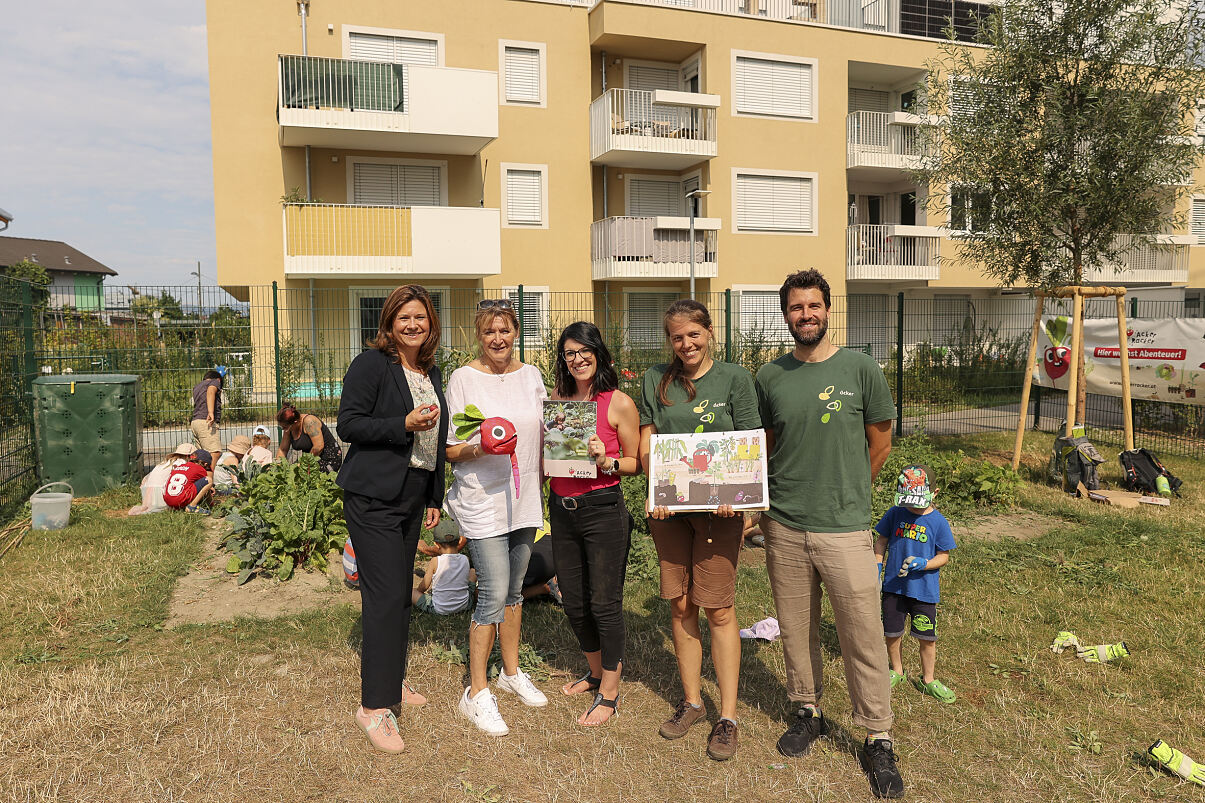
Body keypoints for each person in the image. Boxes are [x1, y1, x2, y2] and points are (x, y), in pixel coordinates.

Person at [754, 269, 903, 799]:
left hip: (844, 526)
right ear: (786, 314)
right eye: (796, 308)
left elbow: (879, 443)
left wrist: (849, 493)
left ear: (828, 308)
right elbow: (765, 448)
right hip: (786, 525)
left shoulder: (861, 367)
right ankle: (807, 709)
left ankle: (878, 737)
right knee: (796, 627)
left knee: (862, 633)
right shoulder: (770, 377)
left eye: (813, 306)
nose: (806, 315)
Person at [638, 299, 761, 762]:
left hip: (720, 514)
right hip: (670, 512)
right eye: (677, 337)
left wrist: (742, 494)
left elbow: (751, 440)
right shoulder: (657, 379)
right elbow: (649, 440)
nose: (686, 344)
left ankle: (727, 716)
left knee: (720, 610)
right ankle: (692, 702)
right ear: (668, 341)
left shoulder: (735, 378)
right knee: (681, 603)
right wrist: (656, 489)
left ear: (709, 332)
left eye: (693, 334)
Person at [336, 284, 448, 755]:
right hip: (373, 498)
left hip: (411, 495)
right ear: (388, 323)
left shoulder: (429, 371)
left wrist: (434, 495)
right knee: (384, 598)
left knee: (400, 594)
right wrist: (401, 424)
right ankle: (373, 707)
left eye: (420, 317)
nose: (412, 325)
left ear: (430, 323)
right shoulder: (371, 364)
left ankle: (392, 682)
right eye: (403, 317)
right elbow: (349, 424)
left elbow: (436, 440)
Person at [445, 299, 548, 737]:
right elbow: (451, 449)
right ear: (478, 335)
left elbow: (549, 432)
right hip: (483, 501)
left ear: (516, 332)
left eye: (505, 330)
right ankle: (476, 692)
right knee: (491, 591)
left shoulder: (532, 376)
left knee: (515, 590)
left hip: (523, 500)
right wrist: (481, 447)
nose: (498, 339)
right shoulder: (463, 379)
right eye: (489, 331)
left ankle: (510, 672)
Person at [548, 321, 640, 727]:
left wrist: (607, 461)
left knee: (604, 603)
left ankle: (610, 692)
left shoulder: (618, 402)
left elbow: (637, 463)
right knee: (573, 600)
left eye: (584, 351)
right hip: (561, 509)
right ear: (563, 360)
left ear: (598, 354)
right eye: (570, 353)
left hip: (602, 507)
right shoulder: (558, 399)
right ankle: (596, 672)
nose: (578, 359)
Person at [874, 464, 956, 703]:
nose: (911, 506)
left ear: (935, 493)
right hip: (893, 588)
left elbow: (944, 555)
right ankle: (897, 671)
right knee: (892, 633)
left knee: (926, 638)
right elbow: (881, 541)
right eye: (907, 500)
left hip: (923, 592)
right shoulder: (895, 513)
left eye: (916, 501)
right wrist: (877, 565)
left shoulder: (938, 522)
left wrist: (925, 563)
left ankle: (928, 679)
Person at [412, 518, 476, 616]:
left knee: (411, 592)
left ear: (436, 544)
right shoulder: (465, 559)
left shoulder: (435, 561)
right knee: (473, 572)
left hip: (439, 608)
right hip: (464, 605)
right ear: (459, 541)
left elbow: (425, 585)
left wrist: (419, 593)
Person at [277, 403, 343, 473]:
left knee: (302, 476)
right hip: (311, 458)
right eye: (282, 427)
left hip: (329, 457)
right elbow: (283, 449)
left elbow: (318, 447)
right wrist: (278, 466)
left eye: (284, 427)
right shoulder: (288, 428)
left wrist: (303, 465)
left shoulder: (309, 422)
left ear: (295, 422)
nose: (284, 429)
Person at [190, 367, 227, 464]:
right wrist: (211, 412)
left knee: (202, 457)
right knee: (214, 453)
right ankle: (209, 477)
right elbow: (211, 391)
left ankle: (201, 477)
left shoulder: (197, 387)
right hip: (206, 422)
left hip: (196, 422)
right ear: (218, 380)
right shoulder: (215, 382)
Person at [163, 443, 214, 513]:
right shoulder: (200, 469)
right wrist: (211, 502)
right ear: (205, 464)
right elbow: (206, 485)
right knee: (209, 480)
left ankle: (174, 508)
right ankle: (192, 506)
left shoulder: (180, 466)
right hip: (180, 500)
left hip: (168, 501)